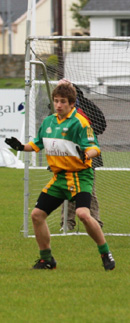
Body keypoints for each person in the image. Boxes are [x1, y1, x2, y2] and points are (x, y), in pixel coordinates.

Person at [5, 82, 115, 271]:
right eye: (56, 101)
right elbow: (38, 144)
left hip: (80, 176)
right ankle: (46, 259)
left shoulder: (80, 122)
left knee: (83, 214)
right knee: (37, 215)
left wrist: (86, 154)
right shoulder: (49, 122)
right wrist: (21, 147)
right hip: (59, 178)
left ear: (72, 103)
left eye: (63, 101)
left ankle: (105, 253)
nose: (58, 105)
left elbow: (95, 147)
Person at [56, 79, 107, 230]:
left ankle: (95, 222)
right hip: (64, 154)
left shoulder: (86, 105)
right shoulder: (56, 107)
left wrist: (85, 134)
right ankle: (67, 223)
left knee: (88, 188)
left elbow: (102, 124)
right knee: (67, 188)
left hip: (87, 154)